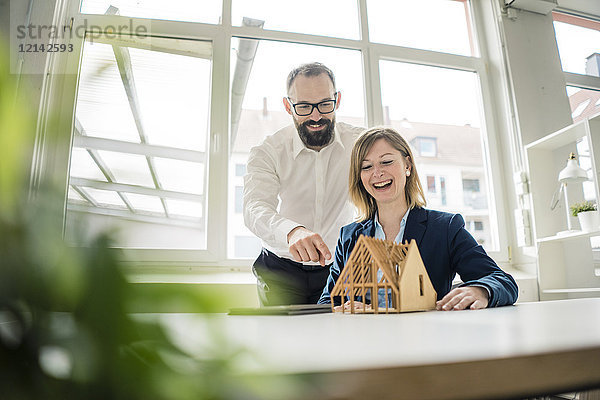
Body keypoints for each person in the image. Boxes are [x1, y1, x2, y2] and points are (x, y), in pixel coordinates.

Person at [318, 127, 518, 310]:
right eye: (366, 167)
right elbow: (327, 302)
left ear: (407, 165)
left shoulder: (445, 228)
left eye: (386, 162)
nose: (377, 173)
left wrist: (480, 290)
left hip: (424, 338)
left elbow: (502, 281)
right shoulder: (350, 235)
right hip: (366, 341)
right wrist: (342, 308)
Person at [244, 62, 364, 306]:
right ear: (288, 106)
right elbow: (254, 207)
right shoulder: (268, 151)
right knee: (281, 341)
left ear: (337, 100)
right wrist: (292, 232)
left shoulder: (360, 144)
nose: (316, 116)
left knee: (340, 339)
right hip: (280, 270)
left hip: (340, 269)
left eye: (324, 104)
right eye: (304, 106)